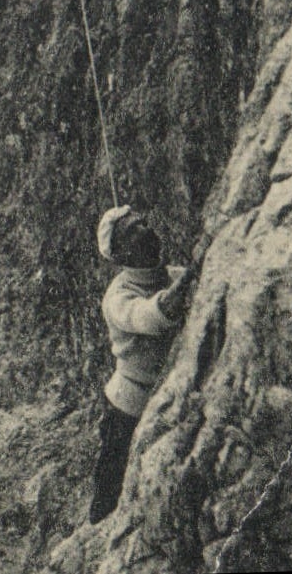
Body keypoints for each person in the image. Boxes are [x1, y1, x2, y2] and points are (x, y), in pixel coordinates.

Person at [89, 206, 196, 525]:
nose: (147, 231)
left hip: (168, 399)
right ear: (121, 253)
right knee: (108, 501)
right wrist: (194, 273)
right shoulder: (118, 297)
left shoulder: (173, 275)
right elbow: (151, 316)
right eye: (134, 231)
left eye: (144, 223)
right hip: (128, 409)